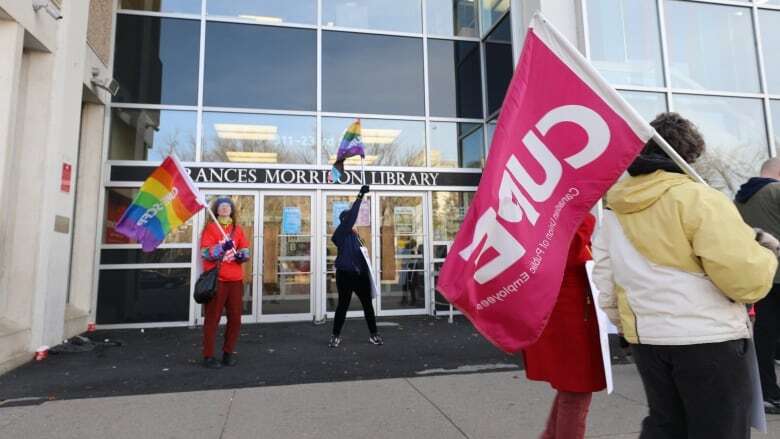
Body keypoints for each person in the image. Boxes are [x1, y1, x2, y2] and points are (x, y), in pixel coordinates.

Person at [592, 112, 779, 439]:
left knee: (665, 427)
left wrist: (626, 329)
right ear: (689, 154)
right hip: (708, 341)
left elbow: (606, 281)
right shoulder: (700, 199)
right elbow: (745, 282)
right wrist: (767, 253)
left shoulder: (614, 210)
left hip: (647, 342)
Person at [523, 213, 605, 439]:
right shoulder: (566, 222)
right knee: (576, 393)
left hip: (568, 318)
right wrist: (583, 216)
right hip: (571, 321)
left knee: (570, 390)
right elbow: (573, 253)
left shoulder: (545, 220)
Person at [735, 158, 780, 413]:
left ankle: (766, 393)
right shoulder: (775, 191)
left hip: (761, 275)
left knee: (764, 336)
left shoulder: (740, 197)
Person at [329, 185, 383, 347]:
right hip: (345, 275)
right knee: (343, 306)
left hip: (360, 276)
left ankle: (374, 335)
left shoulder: (358, 238)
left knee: (368, 305)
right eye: (350, 220)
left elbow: (362, 257)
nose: (353, 223)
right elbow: (352, 216)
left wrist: (369, 276)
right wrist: (360, 196)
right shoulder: (339, 235)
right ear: (345, 222)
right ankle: (335, 336)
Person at [200, 197, 250, 369]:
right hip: (217, 280)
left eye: (227, 207)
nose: (225, 209)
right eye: (221, 207)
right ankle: (208, 356)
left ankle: (228, 353)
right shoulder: (210, 228)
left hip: (235, 280)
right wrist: (221, 248)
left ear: (232, 210)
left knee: (235, 319)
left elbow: (245, 250)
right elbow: (205, 253)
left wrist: (242, 255)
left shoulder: (238, 230)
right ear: (216, 210)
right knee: (212, 319)